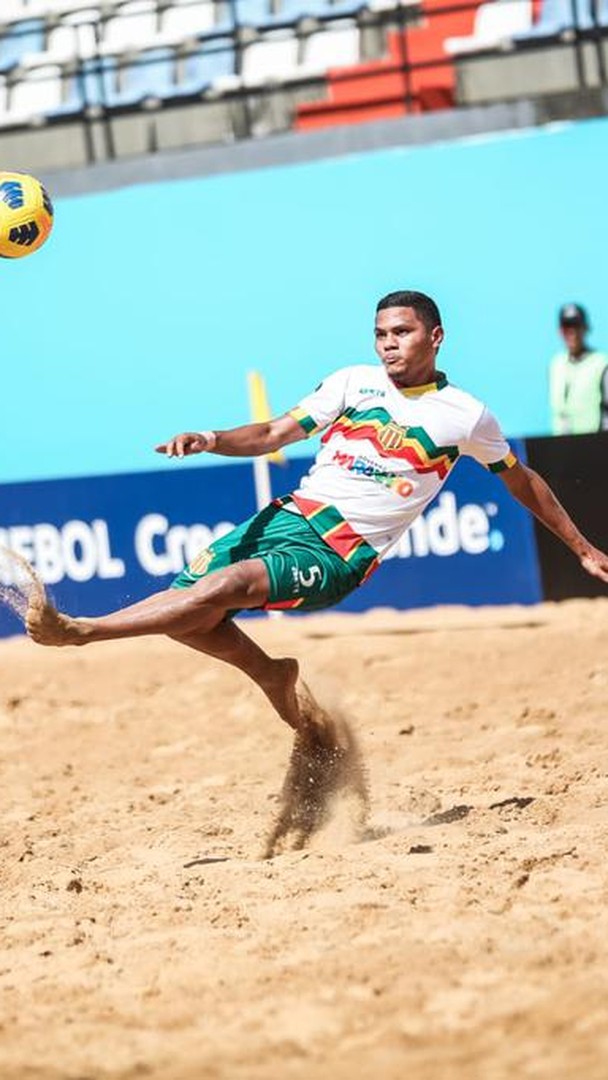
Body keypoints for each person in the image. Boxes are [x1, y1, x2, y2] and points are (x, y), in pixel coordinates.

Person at [26, 290, 608, 742]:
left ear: (435, 337)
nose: (388, 344)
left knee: (223, 587)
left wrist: (581, 547)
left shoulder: (465, 415)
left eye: (401, 333)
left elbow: (521, 478)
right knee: (188, 607)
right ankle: (270, 674)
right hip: (289, 517)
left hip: (340, 552)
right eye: (380, 334)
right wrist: (210, 437)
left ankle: (83, 630)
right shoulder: (352, 382)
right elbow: (275, 432)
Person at [549, 303, 608, 435]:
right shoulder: (556, 364)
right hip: (562, 448)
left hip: (595, 447)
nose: (572, 332)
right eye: (567, 327)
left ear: (586, 328)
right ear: (560, 331)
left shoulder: (601, 363)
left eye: (576, 326)